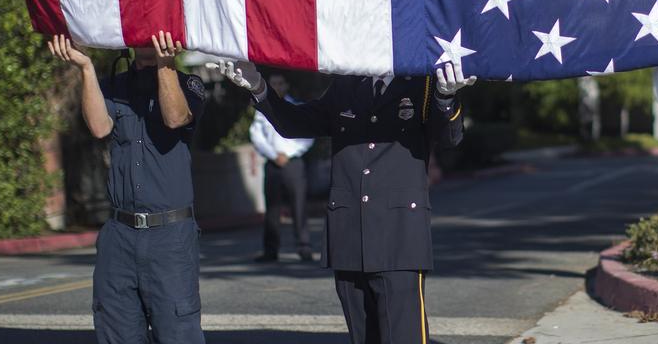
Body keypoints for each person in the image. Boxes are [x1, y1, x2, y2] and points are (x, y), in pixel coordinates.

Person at [214, 59, 474, 344]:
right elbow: (294, 123)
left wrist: (445, 97)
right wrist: (259, 88)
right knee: (362, 337)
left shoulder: (422, 83)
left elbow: (449, 137)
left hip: (399, 235)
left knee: (404, 337)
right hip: (349, 232)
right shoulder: (347, 84)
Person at [49, 31, 207, 344]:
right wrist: (86, 68)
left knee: (178, 332)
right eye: (140, 31)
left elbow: (175, 118)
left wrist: (166, 64)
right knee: (116, 328)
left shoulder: (190, 85)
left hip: (170, 235)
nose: (148, 38)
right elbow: (98, 127)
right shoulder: (114, 86)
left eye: (155, 32)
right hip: (119, 235)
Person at [249, 72, 315, 263]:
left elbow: (307, 135)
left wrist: (289, 154)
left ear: (286, 85)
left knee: (299, 205)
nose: (276, 86)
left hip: (292, 162)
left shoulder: (296, 106)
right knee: (272, 209)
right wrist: (273, 155)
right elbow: (257, 136)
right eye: (273, 83)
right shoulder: (263, 109)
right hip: (273, 162)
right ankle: (271, 250)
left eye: (280, 83)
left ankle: (304, 247)